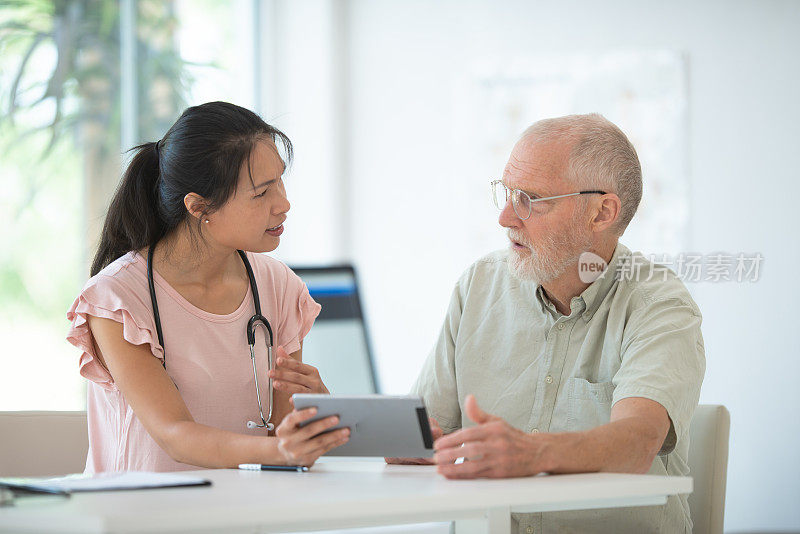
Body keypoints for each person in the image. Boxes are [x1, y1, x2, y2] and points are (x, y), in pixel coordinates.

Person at [401, 114, 705, 533]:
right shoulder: (479, 285)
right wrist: (377, 432)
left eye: (530, 198)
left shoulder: (658, 304)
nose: (506, 217)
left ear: (601, 212)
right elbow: (426, 434)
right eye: (507, 193)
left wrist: (533, 453)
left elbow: (637, 443)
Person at [66, 101, 349, 473]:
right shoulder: (116, 299)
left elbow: (282, 437)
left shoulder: (279, 287)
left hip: (243, 517)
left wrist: (314, 415)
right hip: (138, 519)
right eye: (261, 193)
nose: (284, 203)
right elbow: (174, 435)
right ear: (199, 207)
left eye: (280, 180)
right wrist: (283, 450)